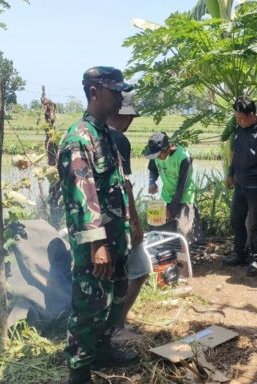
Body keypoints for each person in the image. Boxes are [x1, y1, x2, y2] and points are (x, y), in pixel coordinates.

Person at [57, 67, 139, 384]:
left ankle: (103, 349)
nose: (120, 97)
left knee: (115, 298)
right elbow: (81, 194)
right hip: (98, 245)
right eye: (114, 91)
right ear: (94, 92)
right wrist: (97, 243)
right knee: (89, 307)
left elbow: (117, 185)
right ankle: (78, 372)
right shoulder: (79, 138)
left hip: (115, 239)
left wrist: (129, 227)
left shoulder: (105, 134)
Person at [106, 92, 150, 342]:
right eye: (130, 117)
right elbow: (125, 185)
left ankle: (108, 326)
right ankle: (117, 327)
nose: (130, 122)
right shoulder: (118, 139)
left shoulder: (87, 133)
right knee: (139, 269)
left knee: (108, 275)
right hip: (117, 219)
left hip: (94, 221)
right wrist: (134, 220)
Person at [223, 97, 257, 276]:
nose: (238, 121)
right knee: (236, 220)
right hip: (240, 185)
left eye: (241, 118)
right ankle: (240, 254)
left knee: (255, 224)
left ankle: (255, 259)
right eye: (236, 118)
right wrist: (231, 173)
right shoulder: (240, 129)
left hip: (256, 188)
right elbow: (235, 155)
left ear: (252, 115)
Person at [145, 132, 203, 244]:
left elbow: (182, 186)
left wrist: (170, 210)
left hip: (184, 196)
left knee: (183, 231)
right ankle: (169, 255)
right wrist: (152, 182)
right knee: (161, 228)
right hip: (167, 196)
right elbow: (153, 169)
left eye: (159, 155)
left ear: (167, 148)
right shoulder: (156, 154)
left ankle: (186, 255)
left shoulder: (183, 157)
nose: (157, 158)